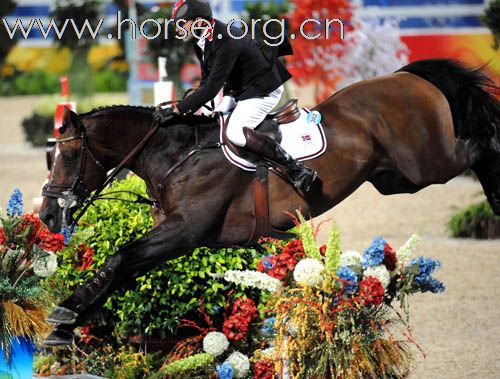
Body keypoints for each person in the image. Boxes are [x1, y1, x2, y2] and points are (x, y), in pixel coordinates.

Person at [153, 0, 317, 192]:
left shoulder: (225, 38)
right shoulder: (201, 40)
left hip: (262, 88)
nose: (178, 30)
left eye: (182, 24)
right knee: (217, 121)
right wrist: (189, 108)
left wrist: (178, 110)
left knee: (236, 133)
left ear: (197, 21)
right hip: (238, 89)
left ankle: (296, 169)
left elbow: (213, 87)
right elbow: (207, 81)